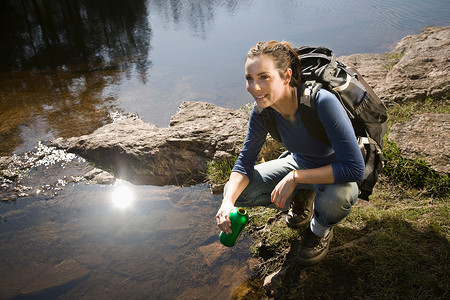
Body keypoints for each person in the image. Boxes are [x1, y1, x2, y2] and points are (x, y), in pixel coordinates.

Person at [215, 40, 365, 265]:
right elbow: (244, 163)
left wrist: (296, 177)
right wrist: (227, 202)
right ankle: (304, 194)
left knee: (337, 198)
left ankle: (319, 231)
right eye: (249, 78)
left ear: (286, 76)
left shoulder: (322, 102)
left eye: (264, 77)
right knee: (235, 191)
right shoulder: (262, 113)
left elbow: (354, 168)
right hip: (299, 163)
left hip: (335, 173)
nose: (254, 87)